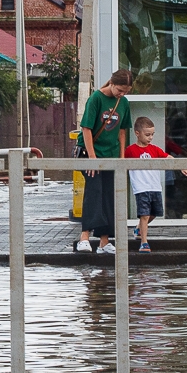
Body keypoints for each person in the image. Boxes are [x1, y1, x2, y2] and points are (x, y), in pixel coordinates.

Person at [76, 69, 131, 255]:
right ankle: (84, 236)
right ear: (112, 84)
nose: (122, 94)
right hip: (92, 153)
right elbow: (86, 128)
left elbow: (123, 130)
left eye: (126, 91)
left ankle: (104, 241)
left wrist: (122, 156)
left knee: (109, 195)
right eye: (120, 90)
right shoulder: (96, 99)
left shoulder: (122, 102)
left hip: (112, 154)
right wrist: (92, 158)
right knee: (94, 191)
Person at [124, 117, 187, 252]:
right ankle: (144, 242)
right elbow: (121, 163)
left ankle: (138, 229)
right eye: (147, 135)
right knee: (144, 215)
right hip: (141, 188)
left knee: (155, 213)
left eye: (152, 134)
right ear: (137, 133)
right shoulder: (130, 150)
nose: (150, 138)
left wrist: (180, 165)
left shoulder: (155, 149)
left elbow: (168, 157)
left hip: (155, 187)